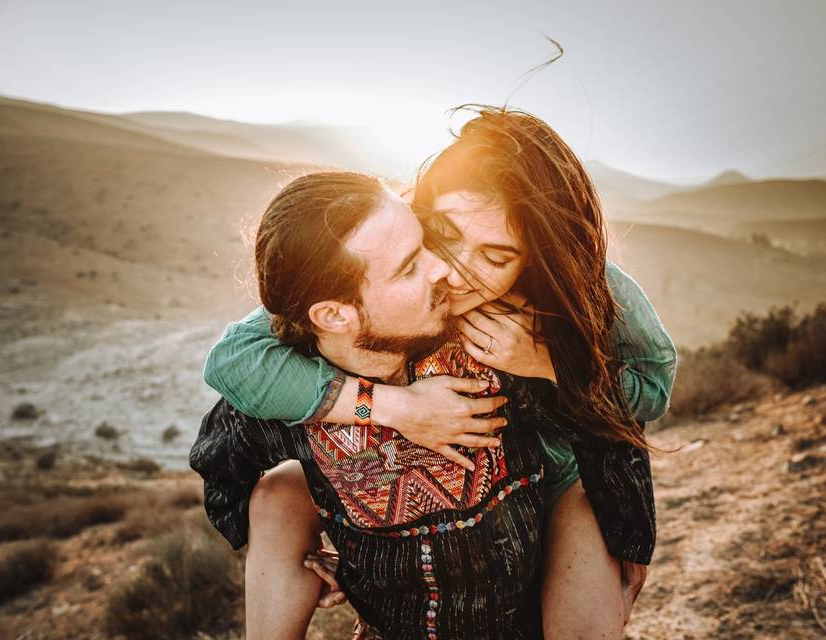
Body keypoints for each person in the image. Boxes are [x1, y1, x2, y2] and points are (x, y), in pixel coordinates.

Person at [199, 108, 676, 638]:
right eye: (442, 234)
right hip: (429, 517)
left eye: (495, 256)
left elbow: (651, 391)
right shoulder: (381, 260)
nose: (457, 270)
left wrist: (542, 363)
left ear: (534, 258)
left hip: (556, 485)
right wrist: (393, 411)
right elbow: (234, 359)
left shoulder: (574, 283)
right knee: (282, 489)